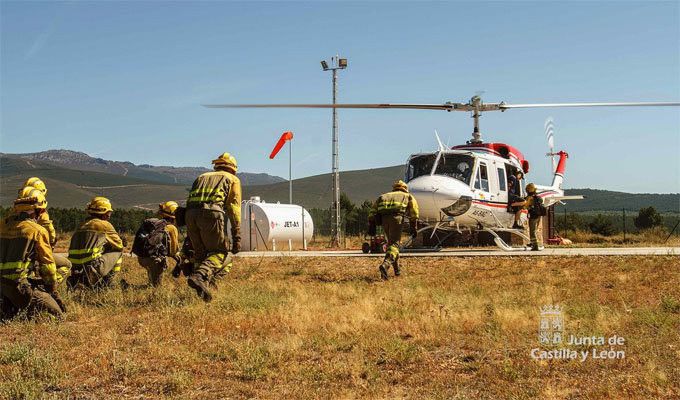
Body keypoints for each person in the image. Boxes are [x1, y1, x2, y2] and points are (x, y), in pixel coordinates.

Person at [184, 152, 241, 301]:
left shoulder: (201, 177)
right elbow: (234, 208)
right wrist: (237, 235)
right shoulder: (231, 178)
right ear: (233, 168)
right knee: (219, 253)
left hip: (189, 215)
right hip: (210, 214)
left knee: (200, 254)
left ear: (217, 165)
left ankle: (202, 291)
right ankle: (200, 276)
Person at [0, 188, 65, 318]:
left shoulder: (2, 226)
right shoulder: (37, 231)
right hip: (19, 288)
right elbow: (48, 267)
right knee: (58, 316)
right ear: (39, 210)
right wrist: (52, 291)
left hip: (1, 286)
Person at [21, 178, 72, 282]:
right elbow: (50, 234)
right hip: (36, 251)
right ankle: (48, 287)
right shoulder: (41, 213)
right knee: (66, 264)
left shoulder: (14, 212)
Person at [67, 197, 124, 289]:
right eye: (109, 213)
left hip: (75, 268)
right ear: (104, 213)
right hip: (92, 267)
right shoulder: (104, 225)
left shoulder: (82, 225)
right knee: (118, 252)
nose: (109, 215)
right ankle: (106, 284)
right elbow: (119, 245)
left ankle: (79, 280)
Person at [370, 180, 419, 280]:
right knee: (395, 245)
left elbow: (372, 211)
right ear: (405, 188)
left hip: (383, 220)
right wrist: (414, 227)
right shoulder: (407, 196)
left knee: (391, 245)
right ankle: (386, 265)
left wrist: (372, 225)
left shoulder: (383, 196)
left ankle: (397, 271)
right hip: (397, 219)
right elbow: (414, 212)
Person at [135, 201, 180, 287]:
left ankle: (150, 283)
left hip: (141, 257)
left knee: (152, 277)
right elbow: (173, 251)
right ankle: (135, 288)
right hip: (154, 260)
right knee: (157, 287)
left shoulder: (155, 224)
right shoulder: (171, 228)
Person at [524, 183, 544, 251]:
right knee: (534, 230)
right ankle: (533, 243)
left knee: (532, 231)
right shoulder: (538, 197)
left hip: (533, 215)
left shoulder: (530, 198)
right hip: (538, 215)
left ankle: (535, 246)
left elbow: (525, 206)